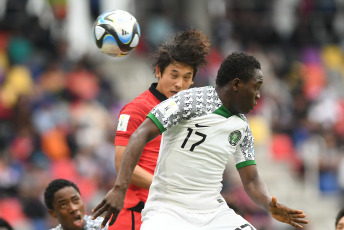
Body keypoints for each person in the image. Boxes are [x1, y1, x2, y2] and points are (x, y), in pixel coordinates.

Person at [92, 52, 309, 229]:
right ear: (236, 84)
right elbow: (140, 134)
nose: (259, 95)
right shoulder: (190, 100)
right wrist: (119, 188)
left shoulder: (242, 128)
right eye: (256, 86)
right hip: (168, 209)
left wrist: (269, 204)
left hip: (212, 212)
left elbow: (251, 181)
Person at [110, 28, 210, 230]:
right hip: (135, 216)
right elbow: (122, 164)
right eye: (174, 75)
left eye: (186, 77)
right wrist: (169, 187)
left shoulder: (189, 115)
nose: (179, 84)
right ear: (158, 71)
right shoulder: (136, 110)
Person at [44, 178, 108, 230]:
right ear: (53, 213)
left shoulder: (104, 226)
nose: (73, 208)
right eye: (63, 205)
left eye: (76, 200)